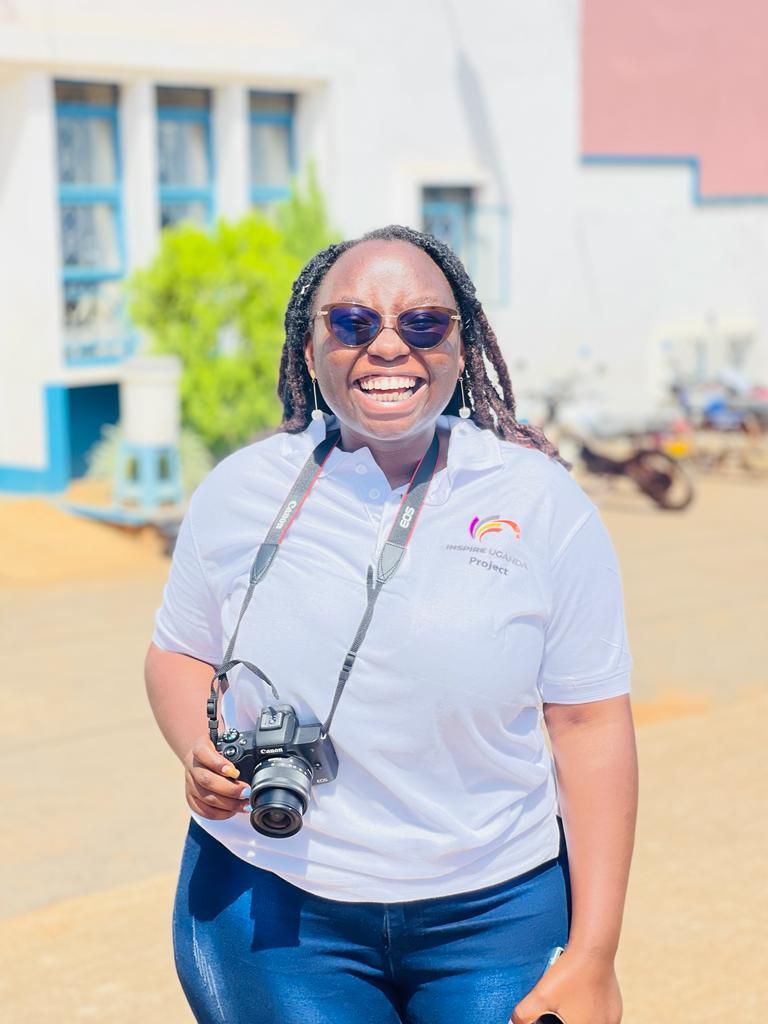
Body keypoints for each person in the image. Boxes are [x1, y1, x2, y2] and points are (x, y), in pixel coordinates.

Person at [145, 224, 638, 1024]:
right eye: (351, 322)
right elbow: (178, 650)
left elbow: (588, 722)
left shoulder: (540, 501)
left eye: (422, 324)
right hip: (272, 903)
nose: (387, 346)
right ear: (310, 349)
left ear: (460, 343)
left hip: (496, 914)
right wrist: (196, 746)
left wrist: (595, 954)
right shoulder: (240, 491)